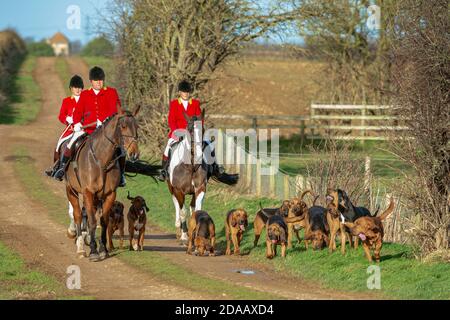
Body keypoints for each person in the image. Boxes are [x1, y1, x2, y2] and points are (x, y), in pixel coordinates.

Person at [52, 66, 126, 187]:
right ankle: (61, 168)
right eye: (96, 80)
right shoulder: (85, 94)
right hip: (88, 130)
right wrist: (76, 124)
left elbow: (117, 111)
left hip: (107, 131)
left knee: (121, 149)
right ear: (91, 81)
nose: (99, 82)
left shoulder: (111, 92)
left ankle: (121, 175)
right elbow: (77, 114)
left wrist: (105, 121)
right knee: (71, 143)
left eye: (101, 80)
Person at [158, 80, 223, 181]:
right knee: (168, 147)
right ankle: (164, 171)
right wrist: (176, 132)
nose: (186, 94)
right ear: (179, 92)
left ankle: (216, 168)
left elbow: (200, 119)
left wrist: (198, 131)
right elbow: (171, 120)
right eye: (184, 92)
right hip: (178, 132)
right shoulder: (174, 104)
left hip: (194, 133)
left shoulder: (195, 103)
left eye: (188, 92)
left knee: (209, 144)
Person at [45, 75, 84, 178]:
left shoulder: (86, 100)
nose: (78, 90)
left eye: (80, 87)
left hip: (84, 128)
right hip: (71, 129)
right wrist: (68, 119)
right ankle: (57, 167)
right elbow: (61, 115)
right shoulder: (66, 101)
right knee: (58, 145)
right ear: (71, 88)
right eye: (75, 87)